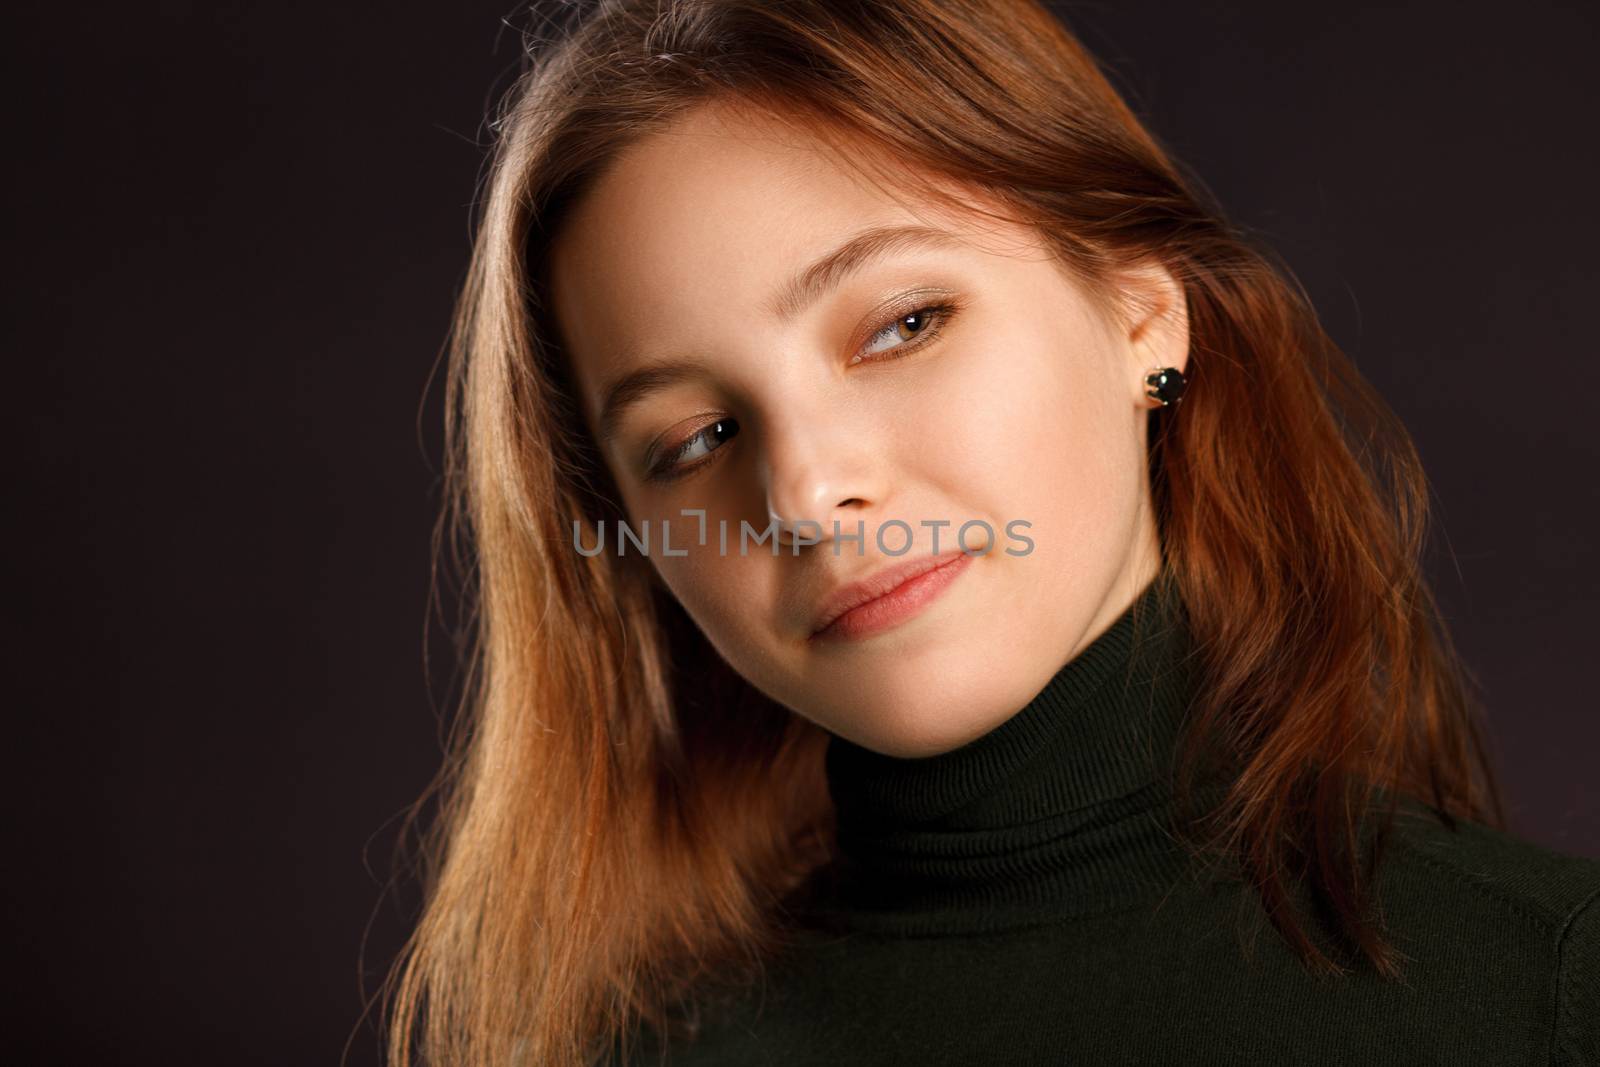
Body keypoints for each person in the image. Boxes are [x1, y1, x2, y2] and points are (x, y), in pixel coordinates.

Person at [383, 1, 1600, 1064]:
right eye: (695, 439)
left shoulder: (1542, 993)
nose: (805, 496)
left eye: (903, 324)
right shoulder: (624, 1049)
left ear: (1140, 314)